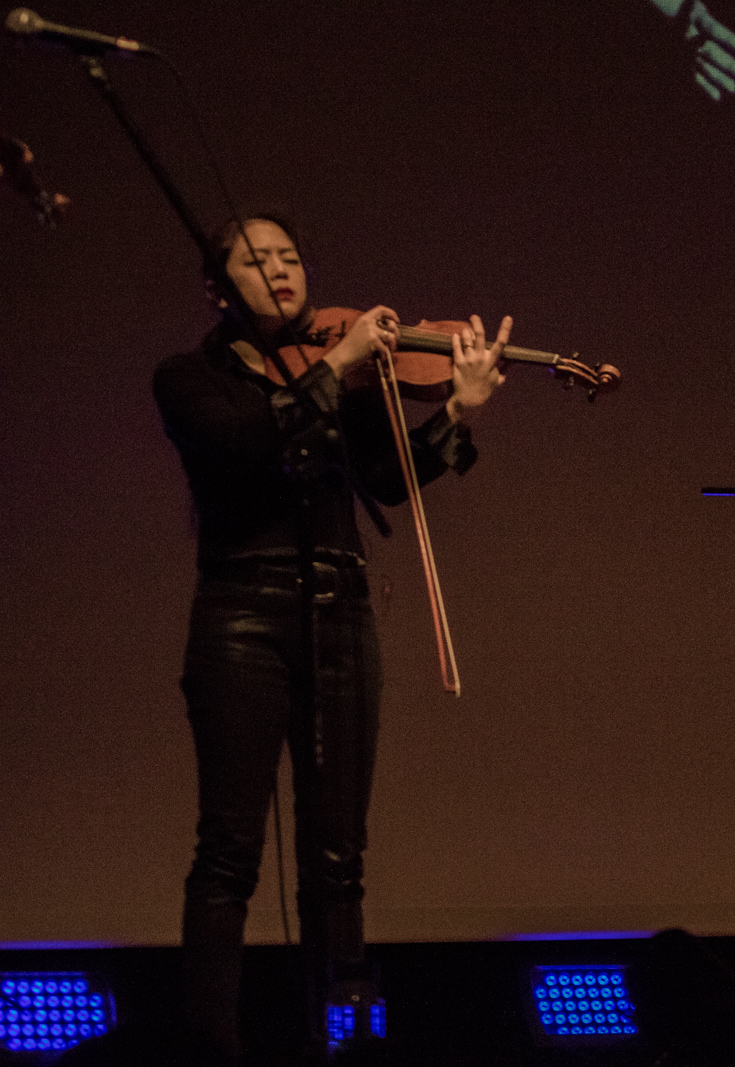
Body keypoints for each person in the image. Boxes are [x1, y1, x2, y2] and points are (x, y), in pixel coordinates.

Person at [151, 214, 509, 1059]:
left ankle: (333, 1042)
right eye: (255, 260)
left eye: (290, 257)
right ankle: (211, 1046)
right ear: (216, 287)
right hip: (242, 615)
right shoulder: (187, 378)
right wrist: (337, 367)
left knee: (338, 855)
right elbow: (244, 449)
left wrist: (456, 411)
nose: (280, 270)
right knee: (230, 850)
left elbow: (382, 480)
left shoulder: (342, 371)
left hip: (341, 610)